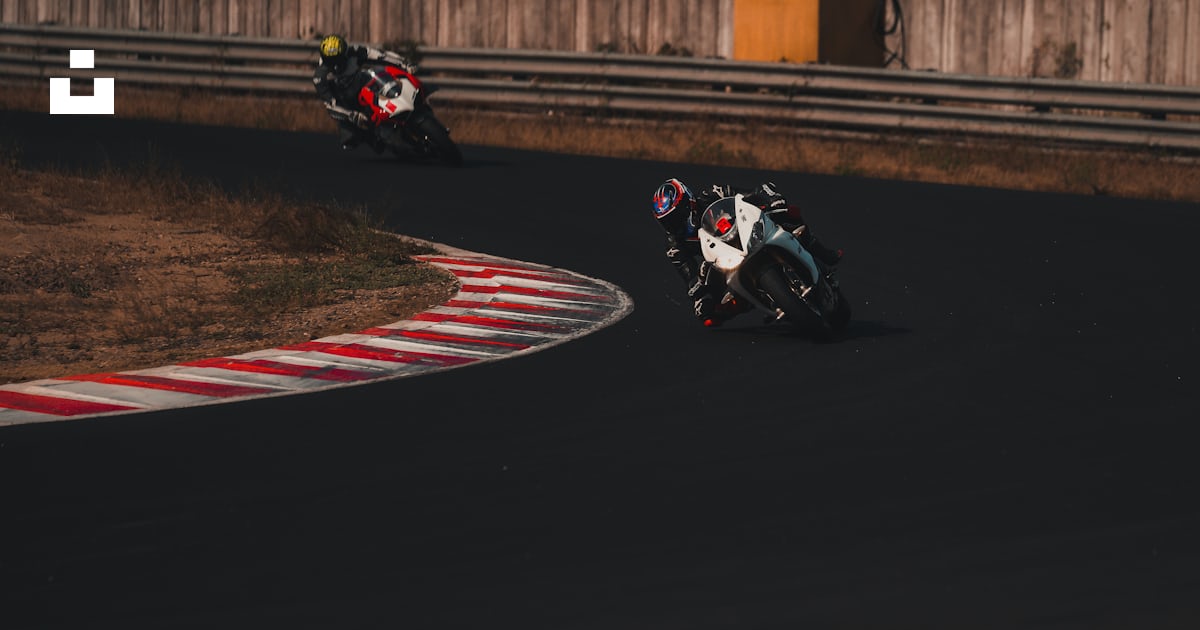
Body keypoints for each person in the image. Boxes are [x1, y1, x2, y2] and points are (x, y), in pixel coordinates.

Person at [652, 178, 843, 327]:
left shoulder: (713, 193)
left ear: (689, 204)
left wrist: (772, 199)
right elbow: (690, 279)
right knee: (709, 313)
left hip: (748, 232)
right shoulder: (674, 246)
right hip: (724, 261)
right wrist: (700, 299)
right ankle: (764, 302)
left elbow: (753, 193)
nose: (673, 224)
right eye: (666, 222)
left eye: (676, 216)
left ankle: (823, 254)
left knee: (788, 215)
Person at [312, 34, 417, 151]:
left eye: (339, 59)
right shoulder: (320, 78)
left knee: (385, 78)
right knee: (349, 138)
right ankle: (372, 139)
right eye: (332, 62)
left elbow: (379, 55)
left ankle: (404, 105)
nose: (336, 65)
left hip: (365, 87)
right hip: (346, 104)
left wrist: (403, 63)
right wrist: (350, 115)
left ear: (344, 53)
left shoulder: (353, 51)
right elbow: (330, 106)